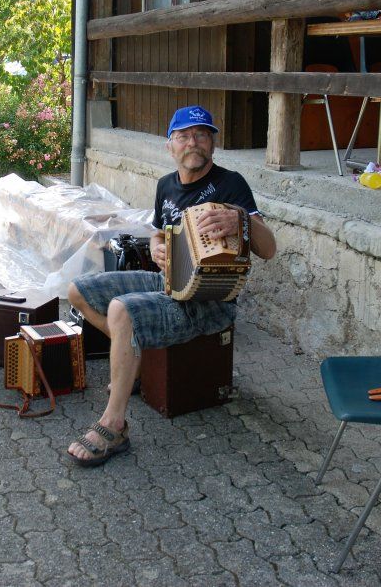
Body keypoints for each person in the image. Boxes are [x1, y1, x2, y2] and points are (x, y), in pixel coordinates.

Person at [66, 105, 277, 466]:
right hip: (171, 283)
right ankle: (134, 364)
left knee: (121, 310)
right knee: (78, 291)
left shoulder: (232, 184)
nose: (192, 143)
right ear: (170, 146)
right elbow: (159, 234)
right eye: (183, 136)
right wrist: (156, 247)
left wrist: (241, 219)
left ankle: (114, 425)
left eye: (201, 135)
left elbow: (269, 249)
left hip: (211, 300)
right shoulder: (166, 185)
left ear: (212, 143)